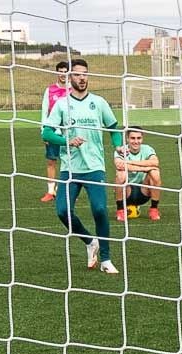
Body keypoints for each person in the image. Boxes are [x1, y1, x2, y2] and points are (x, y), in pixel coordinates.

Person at [41, 58, 122, 275]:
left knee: (100, 209)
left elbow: (114, 128)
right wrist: (67, 141)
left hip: (95, 166)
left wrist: (118, 147)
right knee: (62, 211)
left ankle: (105, 259)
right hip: (70, 168)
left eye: (85, 73)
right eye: (77, 74)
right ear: (69, 78)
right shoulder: (61, 105)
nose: (82, 78)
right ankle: (89, 241)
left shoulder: (99, 102)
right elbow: (46, 132)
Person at [39, 61, 71, 203]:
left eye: (66, 71)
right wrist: (43, 131)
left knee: (69, 162)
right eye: (61, 71)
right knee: (51, 161)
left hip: (69, 133)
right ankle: (50, 191)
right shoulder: (50, 90)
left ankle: (65, 190)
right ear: (57, 73)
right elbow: (45, 111)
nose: (63, 74)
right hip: (53, 132)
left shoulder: (73, 90)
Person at [115, 127, 162, 222]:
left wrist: (130, 163)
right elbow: (120, 165)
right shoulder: (121, 150)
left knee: (155, 172)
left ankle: (154, 209)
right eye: (133, 138)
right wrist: (146, 168)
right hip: (127, 193)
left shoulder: (147, 149)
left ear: (142, 138)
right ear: (127, 139)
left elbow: (155, 162)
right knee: (121, 174)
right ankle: (120, 210)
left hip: (143, 191)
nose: (136, 141)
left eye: (138, 138)